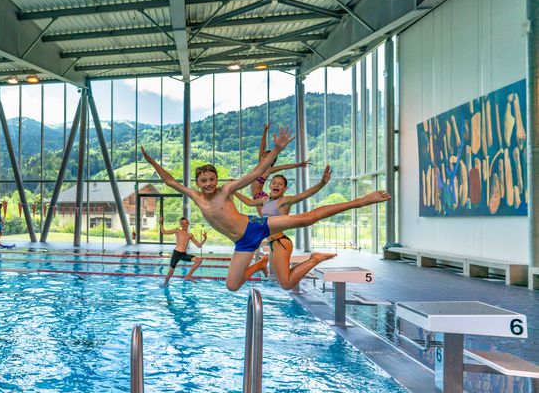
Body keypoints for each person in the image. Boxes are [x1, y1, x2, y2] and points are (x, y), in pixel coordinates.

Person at [140, 128, 390, 292]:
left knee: (306, 218)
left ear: (217, 179)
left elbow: (258, 172)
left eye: (211, 179)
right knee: (232, 285)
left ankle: (361, 200)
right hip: (243, 244)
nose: (208, 184)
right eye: (203, 181)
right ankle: (260, 265)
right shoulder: (196, 196)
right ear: (198, 183)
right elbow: (170, 181)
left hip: (254, 226)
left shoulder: (226, 190)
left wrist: (278, 149)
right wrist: (152, 162)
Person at [235, 166, 336, 290]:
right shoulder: (265, 200)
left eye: (280, 184)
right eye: (274, 183)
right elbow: (249, 203)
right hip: (273, 243)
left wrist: (321, 183)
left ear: (285, 188)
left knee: (286, 284)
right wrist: (232, 190)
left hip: (281, 242)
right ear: (270, 186)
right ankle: (263, 263)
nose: (276, 185)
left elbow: (304, 195)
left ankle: (315, 259)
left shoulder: (285, 201)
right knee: (279, 280)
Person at [249, 123, 310, 199]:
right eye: (263, 156)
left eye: (266, 157)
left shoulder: (268, 169)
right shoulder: (259, 166)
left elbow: (284, 166)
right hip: (257, 196)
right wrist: (265, 132)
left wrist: (299, 165)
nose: (263, 157)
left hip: (260, 196)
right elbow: (262, 147)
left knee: (271, 210)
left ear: (271, 161)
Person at [160, 216, 207, 286]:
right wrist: (160, 223)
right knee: (171, 272)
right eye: (182, 223)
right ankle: (165, 283)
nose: (184, 225)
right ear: (180, 224)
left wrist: (205, 238)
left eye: (186, 223)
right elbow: (163, 232)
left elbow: (198, 245)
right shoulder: (177, 230)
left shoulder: (190, 235)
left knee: (199, 260)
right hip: (176, 254)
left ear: (188, 224)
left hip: (184, 254)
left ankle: (188, 276)